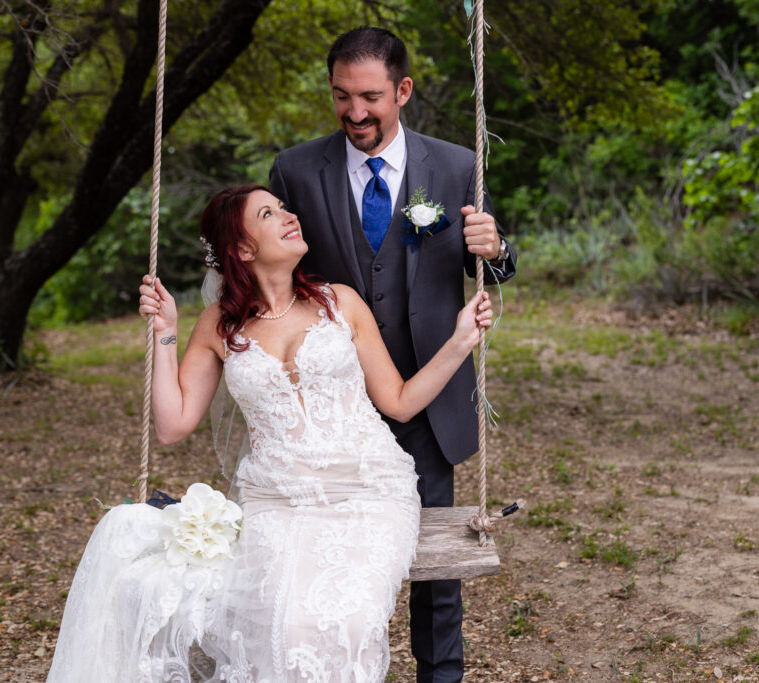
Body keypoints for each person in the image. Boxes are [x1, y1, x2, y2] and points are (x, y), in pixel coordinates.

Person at [45, 184, 492, 682]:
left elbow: (400, 402)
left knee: (350, 618)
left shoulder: (340, 303)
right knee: (285, 626)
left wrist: (460, 342)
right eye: (268, 213)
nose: (288, 215)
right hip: (276, 501)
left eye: (283, 207)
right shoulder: (218, 326)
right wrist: (165, 333)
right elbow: (172, 426)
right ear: (242, 248)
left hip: (369, 493)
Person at [268, 27, 517, 681]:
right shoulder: (295, 171)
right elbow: (272, 276)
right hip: (336, 410)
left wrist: (496, 248)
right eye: (342, 97)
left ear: (402, 91)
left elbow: (488, 260)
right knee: (334, 568)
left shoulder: (457, 166)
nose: (355, 113)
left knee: (437, 574)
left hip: (429, 402)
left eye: (371, 97)